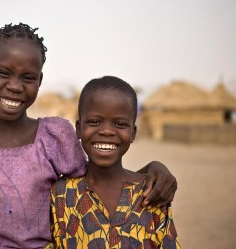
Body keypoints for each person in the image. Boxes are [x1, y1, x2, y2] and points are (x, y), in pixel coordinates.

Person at [0, 23, 177, 249]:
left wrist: (152, 169)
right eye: (3, 73)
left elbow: (99, 179)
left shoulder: (54, 137)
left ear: (40, 80)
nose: (14, 86)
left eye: (28, 78)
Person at [51, 76, 180, 248]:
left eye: (119, 124)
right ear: (79, 128)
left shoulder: (152, 193)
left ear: (133, 133)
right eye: (94, 122)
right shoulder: (61, 195)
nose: (106, 131)